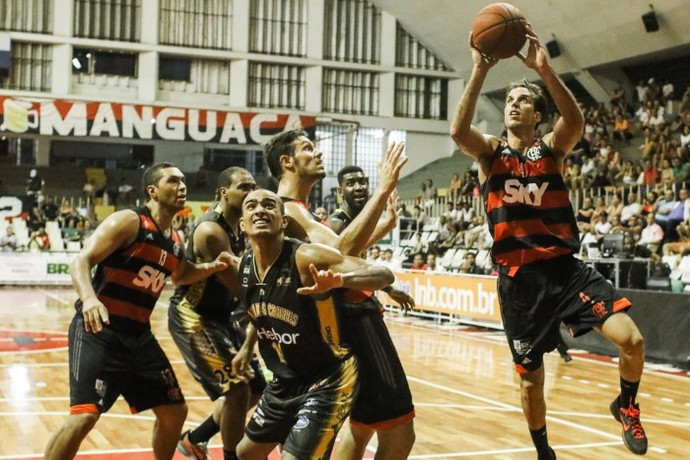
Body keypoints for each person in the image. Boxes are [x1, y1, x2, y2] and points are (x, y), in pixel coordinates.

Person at [450, 28, 647, 458]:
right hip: (519, 282)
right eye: (510, 101)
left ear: (537, 115)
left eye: (523, 100)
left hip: (564, 269)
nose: (515, 105)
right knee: (530, 380)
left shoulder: (551, 151)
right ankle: (544, 451)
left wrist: (544, 70)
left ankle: (627, 406)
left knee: (631, 340)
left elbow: (575, 122)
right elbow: (458, 131)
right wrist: (479, 71)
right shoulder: (490, 153)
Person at [44, 163, 233, 460]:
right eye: (173, 181)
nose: (182, 186)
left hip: (138, 337)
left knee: (174, 412)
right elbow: (80, 261)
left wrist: (211, 267)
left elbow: (181, 274)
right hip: (99, 331)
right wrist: (90, 299)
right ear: (152, 190)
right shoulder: (130, 221)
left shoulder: (174, 239)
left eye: (184, 181)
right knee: (84, 416)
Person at [264, 131, 416, 459]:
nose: (318, 153)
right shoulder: (290, 212)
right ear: (286, 162)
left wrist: (383, 228)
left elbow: (341, 253)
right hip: (353, 318)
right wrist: (384, 187)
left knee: (360, 427)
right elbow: (343, 249)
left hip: (330, 322)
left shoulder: (295, 212)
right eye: (308, 148)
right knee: (399, 432)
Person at [231, 189, 395, 459]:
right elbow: (257, 313)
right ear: (243, 224)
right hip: (285, 378)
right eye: (251, 206)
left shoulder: (305, 256)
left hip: (327, 377)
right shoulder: (245, 267)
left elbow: (383, 274)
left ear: (283, 221)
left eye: (269, 205)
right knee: (245, 454)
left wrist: (342, 281)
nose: (259, 210)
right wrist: (247, 348)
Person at [168, 167, 266, 460]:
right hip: (194, 317)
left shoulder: (239, 224)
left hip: (221, 316)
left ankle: (195, 440)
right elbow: (241, 289)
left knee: (257, 388)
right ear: (224, 193)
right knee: (237, 390)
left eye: (254, 186)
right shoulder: (211, 230)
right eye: (244, 188)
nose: (252, 193)